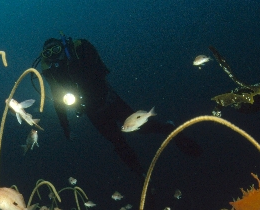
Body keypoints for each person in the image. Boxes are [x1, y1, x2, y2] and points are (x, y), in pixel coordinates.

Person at [36, 35, 202, 175]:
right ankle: (141, 175)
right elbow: (57, 100)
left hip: (110, 100)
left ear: (63, 47)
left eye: (56, 49)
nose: (53, 54)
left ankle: (172, 131)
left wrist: (81, 71)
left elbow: (98, 69)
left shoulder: (80, 54)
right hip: (93, 112)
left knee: (143, 127)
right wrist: (66, 127)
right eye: (48, 52)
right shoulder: (53, 73)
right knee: (118, 143)